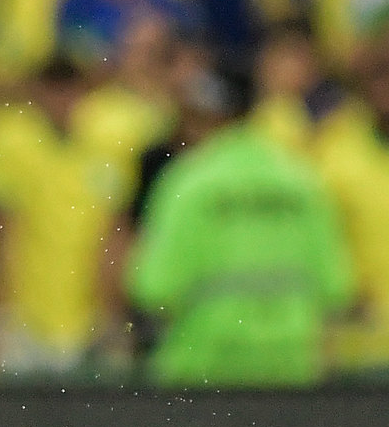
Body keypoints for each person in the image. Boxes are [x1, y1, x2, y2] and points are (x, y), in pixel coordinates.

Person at [129, 77, 352, 385]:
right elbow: (336, 287)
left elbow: (154, 288)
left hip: (203, 366)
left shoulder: (188, 182)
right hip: (290, 366)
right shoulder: (303, 182)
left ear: (210, 119)